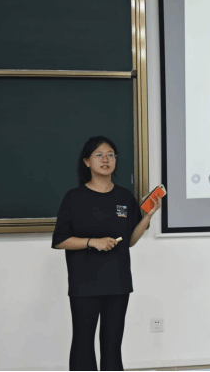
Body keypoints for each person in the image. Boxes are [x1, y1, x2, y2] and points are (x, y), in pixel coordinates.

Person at [51, 136, 162, 371]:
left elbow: (129, 240)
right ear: (87, 162)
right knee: (83, 343)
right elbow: (60, 240)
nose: (106, 159)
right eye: (99, 155)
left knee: (112, 345)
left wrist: (148, 216)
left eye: (111, 155)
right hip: (84, 284)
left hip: (118, 283)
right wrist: (92, 242)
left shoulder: (124, 197)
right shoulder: (74, 198)